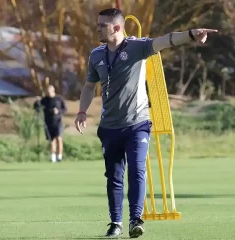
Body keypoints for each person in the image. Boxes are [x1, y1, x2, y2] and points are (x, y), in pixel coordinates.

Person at [74, 8, 217, 238]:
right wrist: (82, 110)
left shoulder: (136, 47)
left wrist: (191, 34)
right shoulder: (96, 55)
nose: (97, 28)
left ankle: (135, 220)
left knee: (138, 170)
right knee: (114, 176)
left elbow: (166, 40)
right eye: (98, 24)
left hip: (137, 123)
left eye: (102, 25)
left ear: (117, 27)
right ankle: (116, 223)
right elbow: (90, 86)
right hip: (109, 127)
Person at [34, 85, 67, 162]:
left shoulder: (59, 99)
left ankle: (59, 156)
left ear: (53, 91)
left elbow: (65, 109)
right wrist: (37, 102)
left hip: (58, 122)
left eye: (49, 92)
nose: (47, 94)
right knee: (51, 140)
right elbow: (37, 108)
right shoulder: (44, 100)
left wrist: (58, 111)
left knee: (59, 138)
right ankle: (53, 157)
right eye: (46, 92)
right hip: (48, 122)